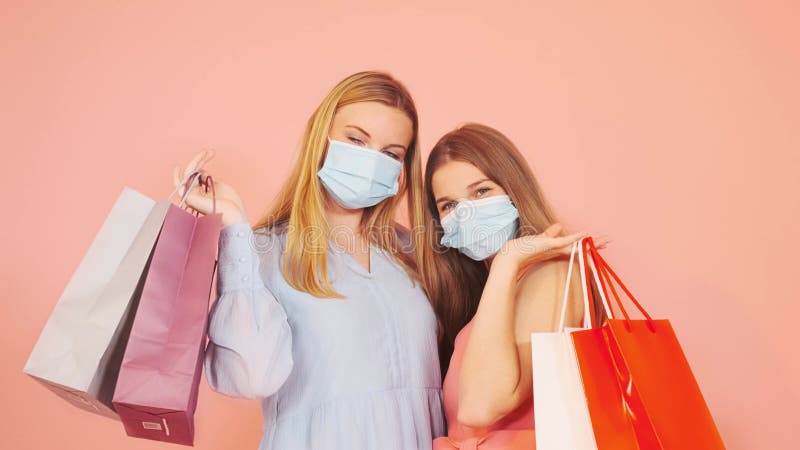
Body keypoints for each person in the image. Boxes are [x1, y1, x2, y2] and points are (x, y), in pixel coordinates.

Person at [174, 71, 445, 450]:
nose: (370, 161)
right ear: (323, 138)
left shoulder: (413, 251)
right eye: (356, 140)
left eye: (390, 154)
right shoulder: (265, 250)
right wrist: (235, 225)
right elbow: (251, 377)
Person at [419, 123, 609, 449]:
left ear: (514, 189)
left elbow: (481, 406)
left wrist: (508, 261)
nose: (466, 213)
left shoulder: (551, 275)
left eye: (481, 191)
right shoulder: (493, 293)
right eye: (449, 205)